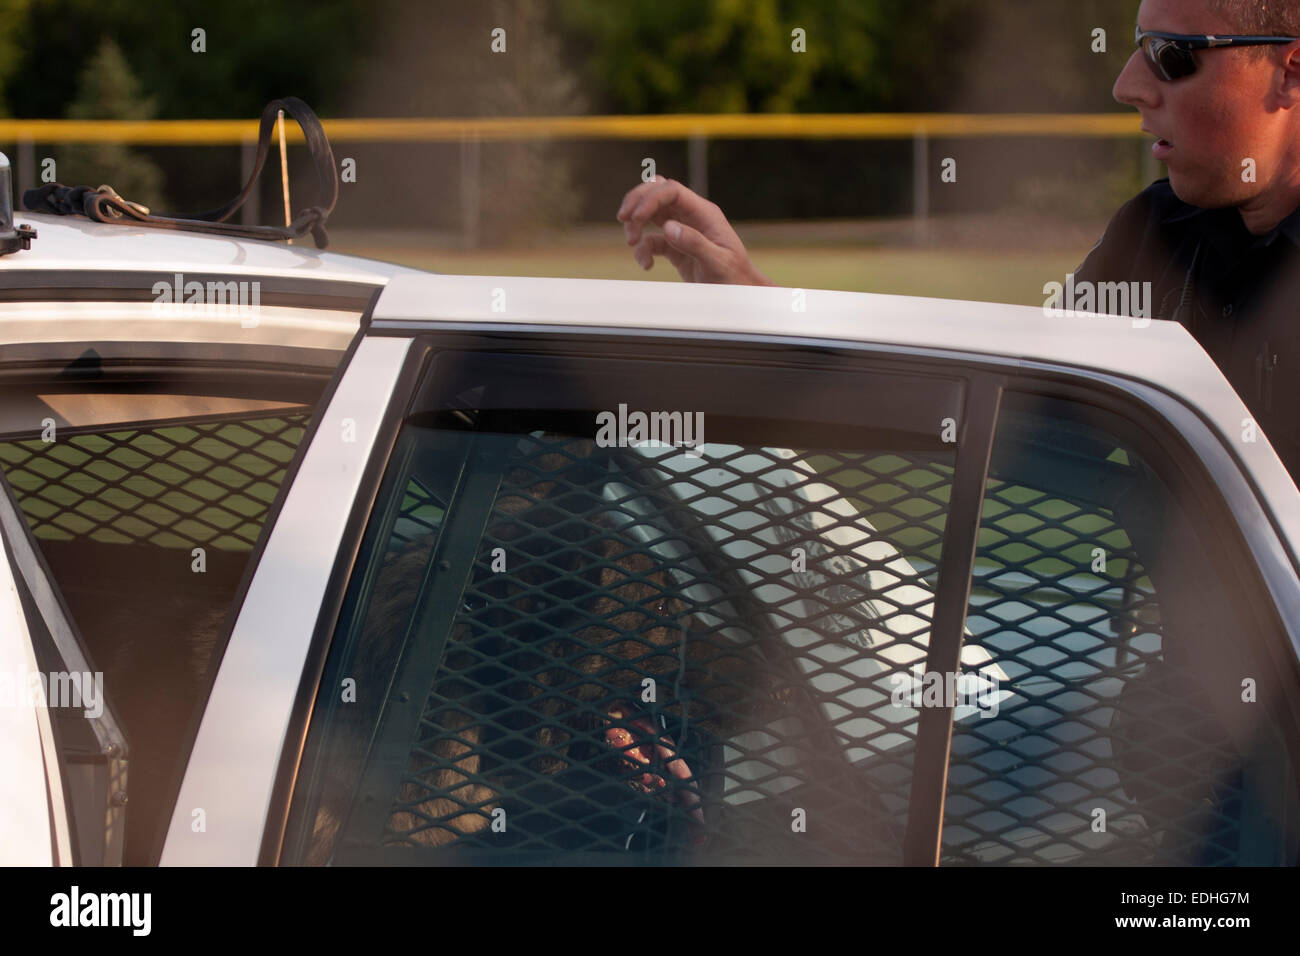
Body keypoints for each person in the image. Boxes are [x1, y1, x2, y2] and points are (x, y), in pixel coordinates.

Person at [616, 0, 1300, 482]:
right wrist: (760, 305)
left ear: (1290, 69)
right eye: (1135, 45)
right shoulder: (1159, 233)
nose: (1128, 84)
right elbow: (993, 409)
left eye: (1172, 56)